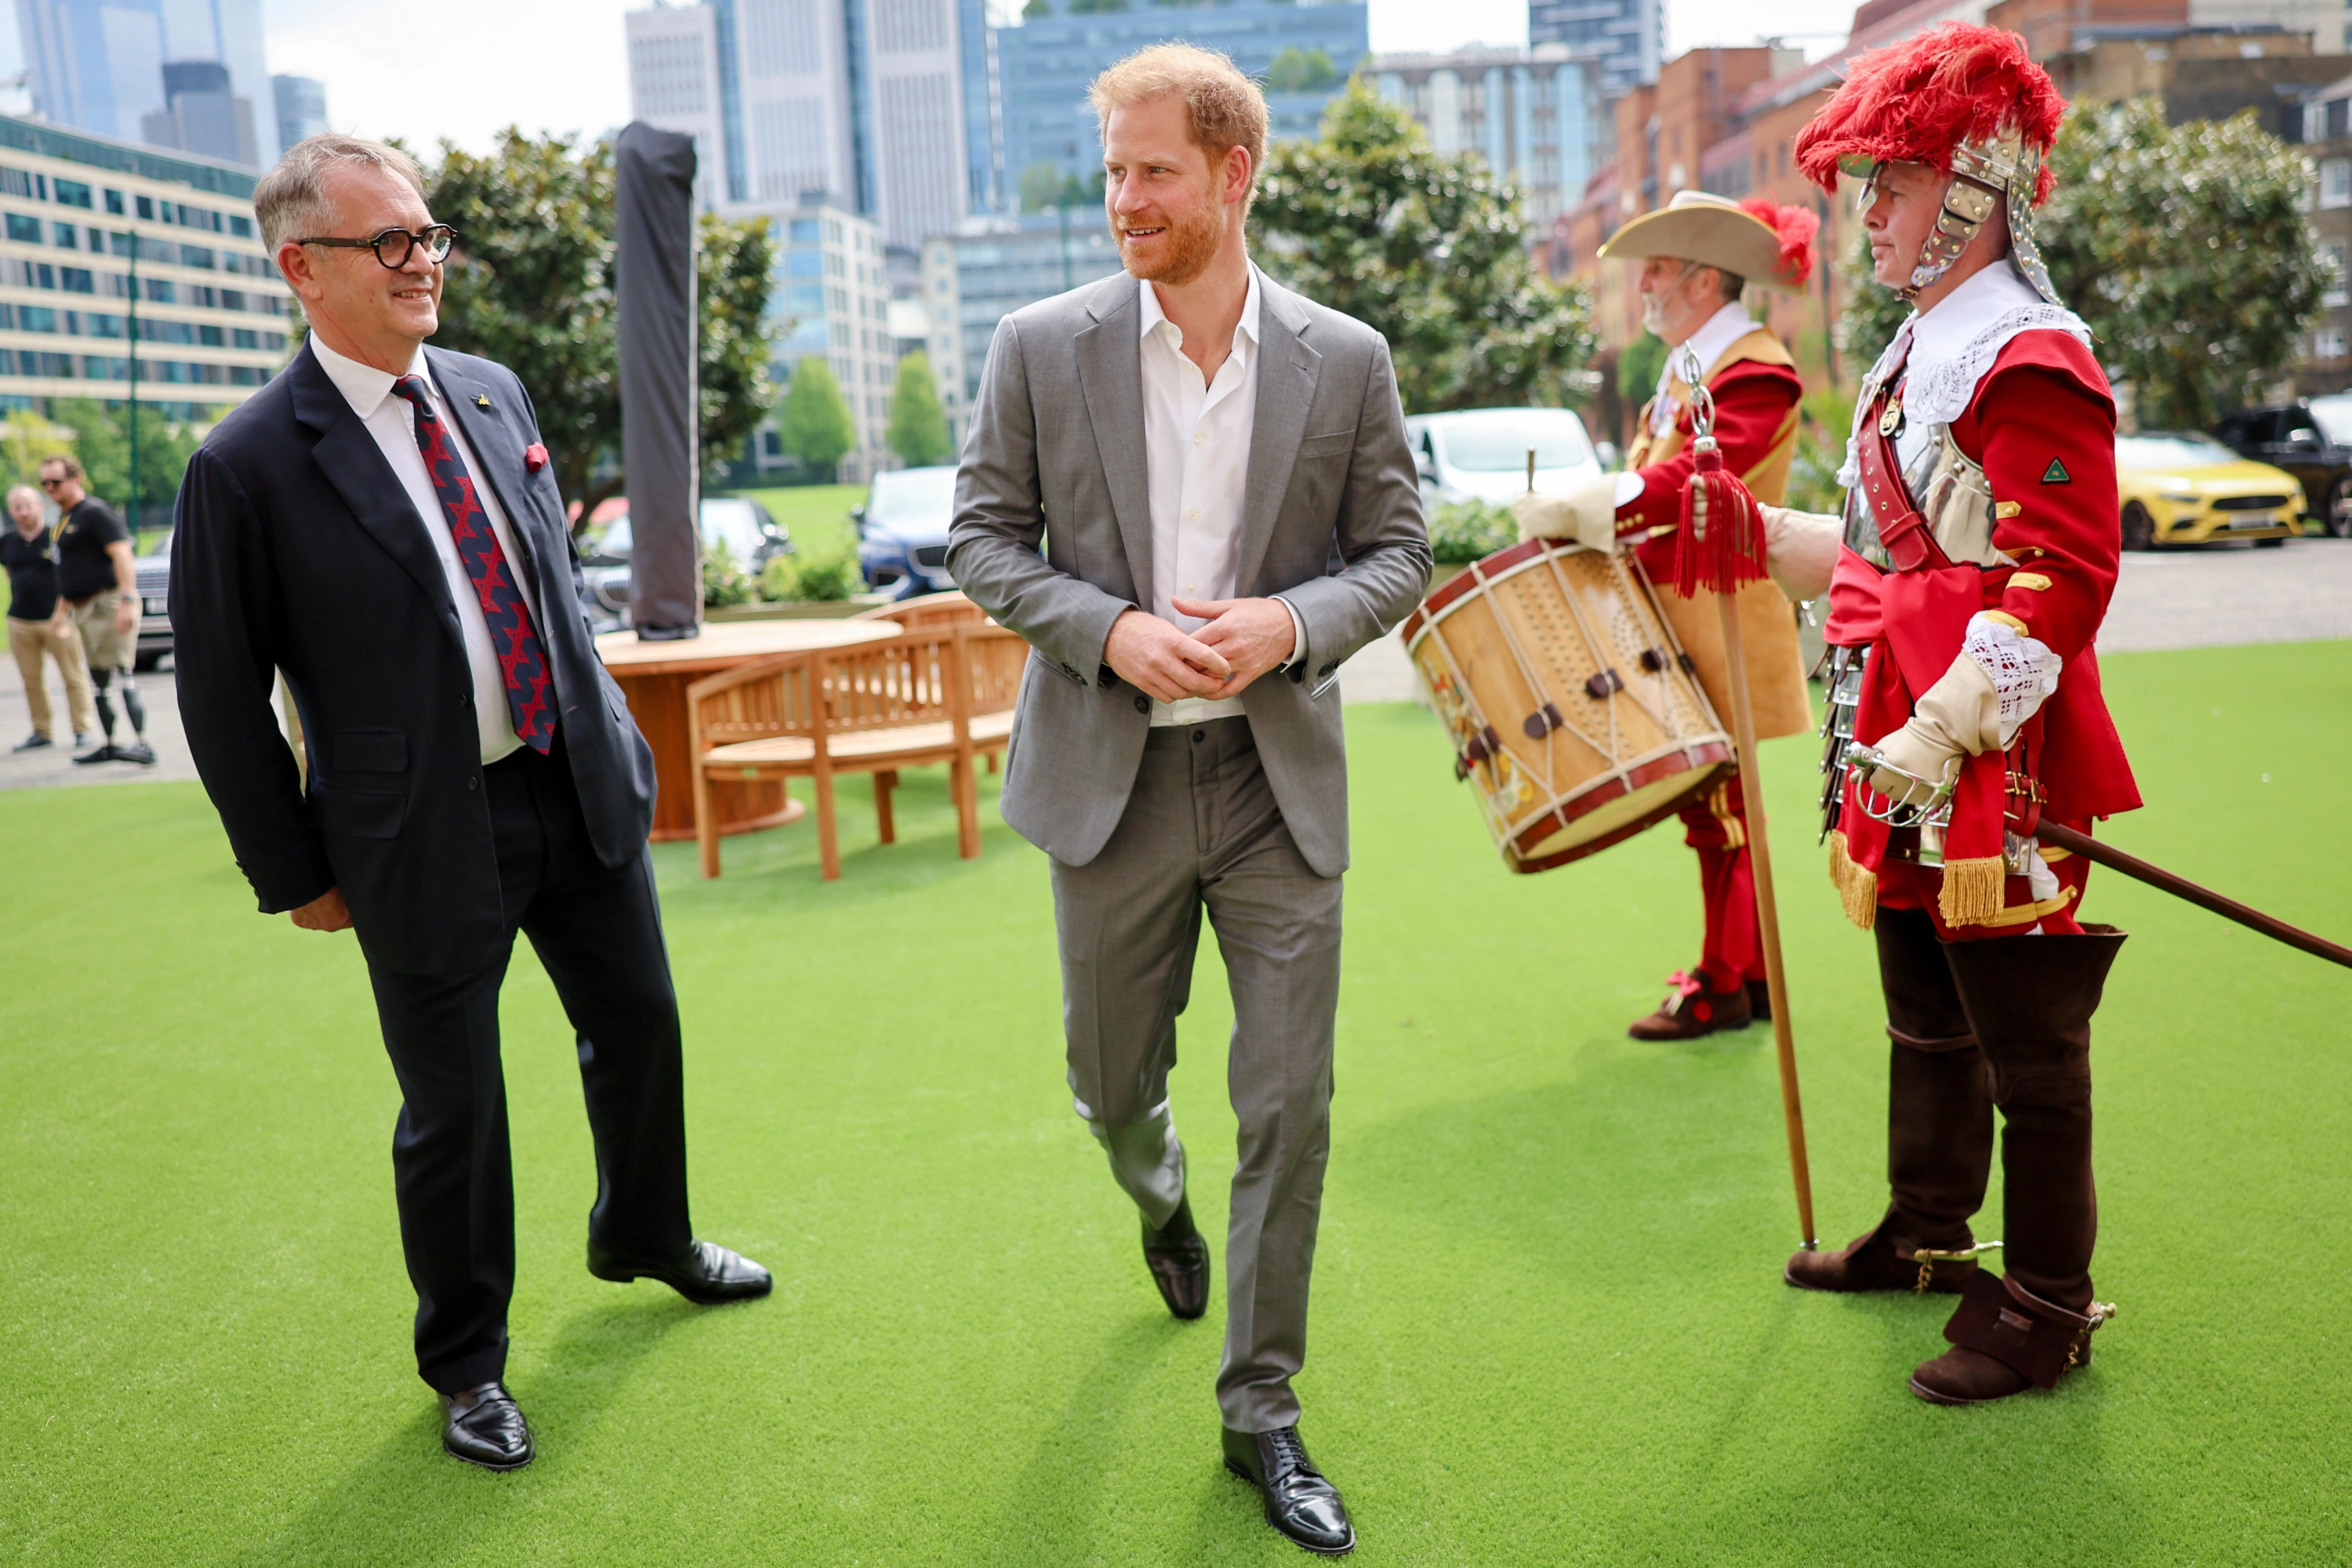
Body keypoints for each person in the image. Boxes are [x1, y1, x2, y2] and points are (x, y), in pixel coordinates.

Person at [170, 133, 771, 1472]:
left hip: (574, 787)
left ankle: (647, 1232)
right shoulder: (247, 465)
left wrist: (610, 737)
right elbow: (218, 699)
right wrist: (296, 872)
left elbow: (550, 593)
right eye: (390, 243)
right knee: (456, 1106)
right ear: (300, 271)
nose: (423, 262)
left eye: (429, 235)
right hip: (414, 837)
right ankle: (468, 1366)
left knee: (643, 1026)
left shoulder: (493, 395)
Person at [949, 45, 1429, 1556]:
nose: (1121, 200)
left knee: (1289, 1109)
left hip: (1278, 787)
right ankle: (1153, 1192)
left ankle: (1261, 1417)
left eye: (1152, 171)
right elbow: (979, 539)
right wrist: (1109, 630)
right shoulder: (1040, 344)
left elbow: (1398, 552)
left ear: (1234, 176)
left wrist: (1291, 624)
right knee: (1110, 1083)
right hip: (1112, 782)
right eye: (1111, 171)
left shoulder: (1343, 359)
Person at [1769, 24, 2140, 1405]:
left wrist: (1948, 723)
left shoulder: (2027, 354)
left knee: (2029, 1044)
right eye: (1867, 183)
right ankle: (1928, 1231)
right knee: (1923, 1006)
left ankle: (2045, 1302)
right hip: (1897, 732)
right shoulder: (1920, 349)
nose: (1870, 210)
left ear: (1976, 197)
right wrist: (1742, 528)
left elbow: (2065, 577)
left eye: (1898, 182)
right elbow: (1887, 558)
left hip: (1997, 754)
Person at [1513, 191, 1821, 1040]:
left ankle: (1722, 982)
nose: (1641, 283)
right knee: (1712, 807)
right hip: (1681, 615)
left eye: (1656, 268)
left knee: (1722, 809)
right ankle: (1746, 974)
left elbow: (1695, 482)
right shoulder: (1695, 366)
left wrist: (1593, 500)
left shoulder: (1754, 366)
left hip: (1720, 614)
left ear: (1702, 279)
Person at [43, 456, 153, 765]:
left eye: (56, 482)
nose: (50, 488)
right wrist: (61, 611)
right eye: (45, 483)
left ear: (75, 479)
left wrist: (128, 600)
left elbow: (121, 553)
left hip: (107, 602)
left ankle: (143, 743)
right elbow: (68, 571)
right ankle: (110, 744)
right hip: (82, 607)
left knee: (122, 672)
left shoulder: (95, 512)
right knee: (98, 678)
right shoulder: (63, 519)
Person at [4, 482, 98, 752]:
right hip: (21, 619)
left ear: (39, 506)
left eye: (28, 506)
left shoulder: (56, 535)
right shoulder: (7, 541)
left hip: (57, 618)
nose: (23, 512)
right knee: (32, 680)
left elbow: (70, 574)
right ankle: (41, 730)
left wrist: (62, 611)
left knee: (73, 675)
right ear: (12, 511)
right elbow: (10, 571)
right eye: (17, 508)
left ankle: (82, 728)